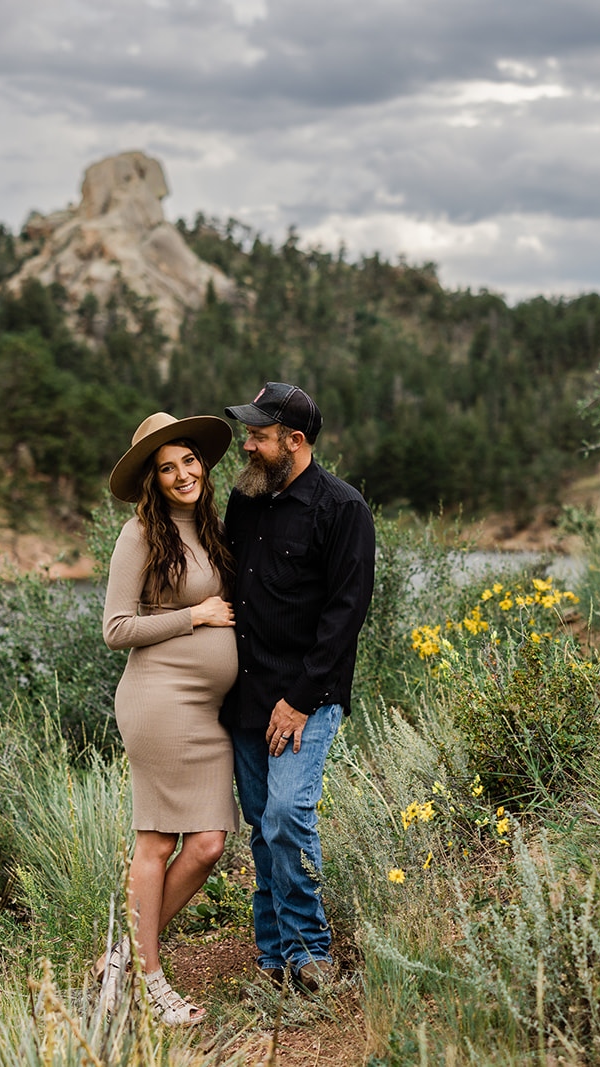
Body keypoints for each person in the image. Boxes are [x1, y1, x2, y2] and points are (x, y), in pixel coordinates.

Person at [220, 382, 375, 992]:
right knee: (262, 822)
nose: (248, 445)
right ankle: (274, 953)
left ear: (295, 441)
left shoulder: (343, 509)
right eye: (248, 433)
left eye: (258, 435)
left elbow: (345, 614)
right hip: (245, 696)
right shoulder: (245, 499)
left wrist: (299, 701)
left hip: (305, 699)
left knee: (287, 813)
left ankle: (311, 948)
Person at [95, 411, 240, 1025]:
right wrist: (195, 618)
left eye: (188, 461)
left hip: (206, 710)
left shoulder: (208, 526)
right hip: (159, 700)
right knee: (155, 842)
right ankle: (149, 981)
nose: (182, 474)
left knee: (207, 844)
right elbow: (115, 629)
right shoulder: (139, 536)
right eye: (166, 468)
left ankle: (123, 957)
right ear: (152, 480)